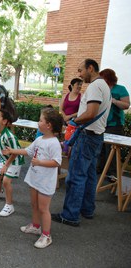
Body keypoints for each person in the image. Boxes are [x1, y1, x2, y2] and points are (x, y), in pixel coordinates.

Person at [51, 59, 111, 227]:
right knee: (90, 175)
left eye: (80, 70)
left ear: (90, 68)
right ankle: (87, 209)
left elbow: (91, 113)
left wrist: (74, 121)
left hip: (87, 136)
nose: (79, 74)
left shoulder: (94, 86)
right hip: (97, 136)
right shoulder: (105, 86)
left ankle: (70, 215)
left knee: (76, 176)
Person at [3, 107, 63, 249]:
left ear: (48, 125)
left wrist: (40, 162)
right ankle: (36, 226)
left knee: (43, 209)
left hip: (45, 182)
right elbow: (28, 151)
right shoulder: (40, 139)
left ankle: (46, 235)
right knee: (34, 205)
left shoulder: (54, 143)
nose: (38, 122)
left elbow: (57, 162)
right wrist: (12, 151)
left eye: (40, 120)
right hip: (35, 179)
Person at [98, 68, 130, 180]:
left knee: (111, 149)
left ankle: (112, 174)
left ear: (109, 78)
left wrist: (114, 101)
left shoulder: (120, 89)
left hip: (115, 124)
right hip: (101, 123)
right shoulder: (102, 89)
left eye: (103, 78)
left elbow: (126, 105)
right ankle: (100, 170)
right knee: (100, 147)